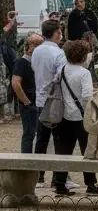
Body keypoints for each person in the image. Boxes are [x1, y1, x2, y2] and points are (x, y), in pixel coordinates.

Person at [49, 40, 98, 196]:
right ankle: (91, 183)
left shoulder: (62, 69)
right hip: (81, 117)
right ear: (82, 56)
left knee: (63, 151)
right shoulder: (84, 73)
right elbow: (87, 96)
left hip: (63, 115)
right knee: (87, 151)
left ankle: (60, 184)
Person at [32, 20, 66, 184]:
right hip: (54, 100)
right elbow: (60, 76)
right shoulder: (58, 53)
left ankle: (39, 174)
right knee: (59, 139)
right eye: (60, 32)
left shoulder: (36, 51)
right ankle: (58, 177)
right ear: (56, 33)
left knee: (41, 139)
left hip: (40, 98)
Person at [11, 34, 42, 153]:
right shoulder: (22, 62)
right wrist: (26, 102)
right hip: (29, 102)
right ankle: (26, 163)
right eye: (36, 45)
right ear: (29, 46)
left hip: (37, 101)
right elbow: (15, 83)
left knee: (39, 134)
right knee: (29, 134)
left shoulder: (37, 62)